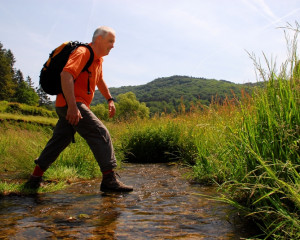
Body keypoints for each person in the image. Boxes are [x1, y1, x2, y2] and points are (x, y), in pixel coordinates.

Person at [25, 26, 133, 192]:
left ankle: (34, 179)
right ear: (98, 40)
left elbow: (100, 80)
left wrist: (110, 99)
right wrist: (73, 106)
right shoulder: (83, 52)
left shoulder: (98, 60)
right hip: (72, 104)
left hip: (68, 105)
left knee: (60, 140)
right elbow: (66, 75)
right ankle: (109, 180)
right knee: (100, 133)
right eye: (110, 41)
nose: (113, 45)